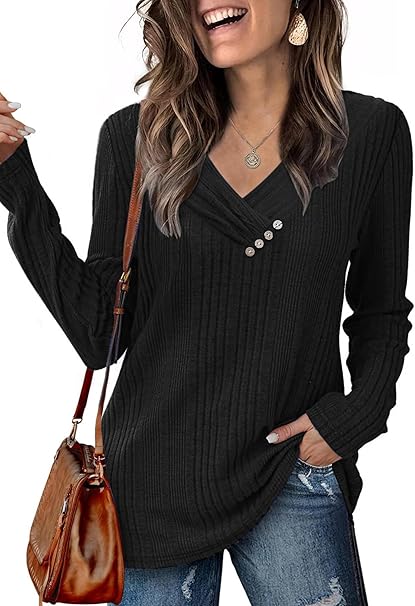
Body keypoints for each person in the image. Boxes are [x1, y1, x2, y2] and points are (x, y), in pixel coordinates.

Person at [0, 0, 413, 604]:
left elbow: (381, 311)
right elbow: (98, 334)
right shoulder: (136, 138)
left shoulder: (371, 133)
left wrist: (357, 415)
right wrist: (15, 180)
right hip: (151, 486)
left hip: (289, 470)